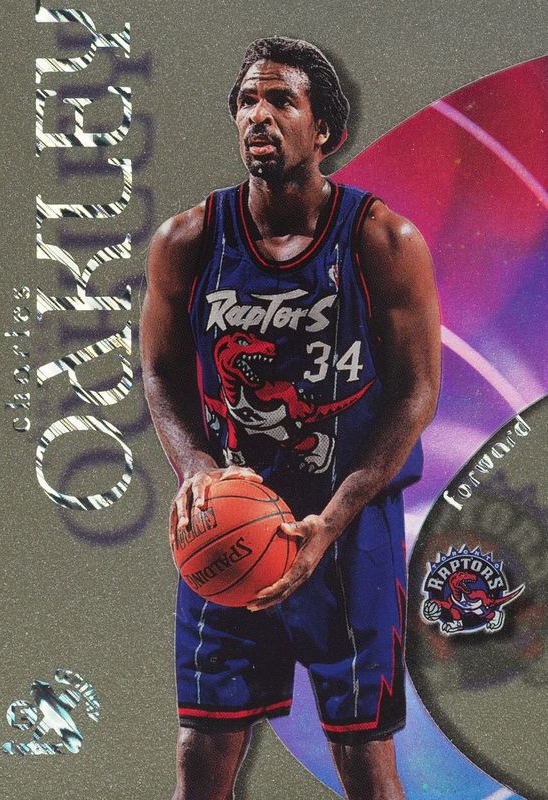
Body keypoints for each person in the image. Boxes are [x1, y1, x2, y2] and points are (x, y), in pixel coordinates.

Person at [141, 36, 441, 800]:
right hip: (230, 521)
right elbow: (159, 372)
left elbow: (414, 392)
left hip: (347, 527)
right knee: (202, 749)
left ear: (324, 131)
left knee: (363, 756)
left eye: (281, 100)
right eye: (247, 101)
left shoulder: (382, 240)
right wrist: (197, 468)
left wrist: (332, 520)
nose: (259, 116)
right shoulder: (187, 240)